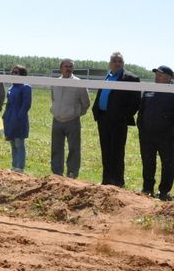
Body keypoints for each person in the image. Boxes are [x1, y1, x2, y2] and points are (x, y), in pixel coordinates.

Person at [92, 52, 141, 187]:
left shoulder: (131, 78)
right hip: (103, 118)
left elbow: (136, 101)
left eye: (119, 61)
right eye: (114, 61)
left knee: (117, 152)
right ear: (110, 63)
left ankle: (118, 182)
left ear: (123, 63)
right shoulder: (108, 76)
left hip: (119, 121)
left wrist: (125, 116)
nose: (117, 63)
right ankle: (106, 180)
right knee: (106, 150)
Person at [137, 66, 174, 200]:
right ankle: (147, 188)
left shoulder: (172, 91)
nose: (156, 77)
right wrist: (140, 126)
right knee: (148, 162)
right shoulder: (149, 90)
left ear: (169, 78)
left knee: (168, 163)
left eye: (160, 75)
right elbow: (142, 109)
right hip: (147, 135)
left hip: (167, 136)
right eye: (156, 74)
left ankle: (164, 191)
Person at [50, 59, 90, 178]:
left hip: (72, 121)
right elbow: (53, 99)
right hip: (57, 120)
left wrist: (76, 113)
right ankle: (57, 173)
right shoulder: (55, 82)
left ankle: (72, 173)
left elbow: (86, 103)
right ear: (61, 68)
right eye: (66, 66)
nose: (68, 68)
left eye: (70, 66)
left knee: (74, 148)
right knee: (56, 147)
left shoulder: (79, 83)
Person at [3, 65, 32, 173]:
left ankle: (20, 167)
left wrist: (19, 117)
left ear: (22, 74)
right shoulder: (11, 88)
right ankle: (14, 165)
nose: (14, 74)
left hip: (19, 118)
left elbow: (26, 104)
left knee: (19, 143)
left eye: (17, 72)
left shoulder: (26, 87)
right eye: (13, 72)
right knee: (12, 143)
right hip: (9, 117)